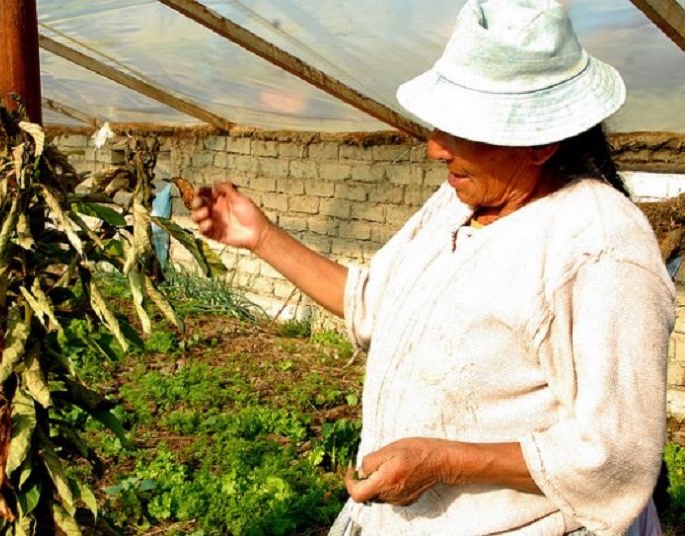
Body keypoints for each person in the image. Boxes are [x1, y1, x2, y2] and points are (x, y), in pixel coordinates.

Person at [189, 0, 675, 534]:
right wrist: (260, 237)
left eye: (460, 130)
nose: (434, 148)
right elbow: (375, 304)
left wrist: (444, 461)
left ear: (539, 143)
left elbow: (614, 455)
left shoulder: (598, 246)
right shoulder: (460, 203)